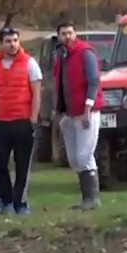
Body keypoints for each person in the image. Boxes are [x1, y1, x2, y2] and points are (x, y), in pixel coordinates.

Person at [0, 26, 42, 215]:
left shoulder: (29, 63)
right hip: (0, 120)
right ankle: (5, 201)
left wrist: (33, 118)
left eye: (15, 40)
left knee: (22, 163)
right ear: (1, 44)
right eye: (8, 41)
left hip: (22, 120)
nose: (12, 44)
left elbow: (37, 93)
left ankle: (20, 203)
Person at [51, 21, 104, 210]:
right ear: (58, 36)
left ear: (75, 33)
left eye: (70, 32)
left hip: (85, 111)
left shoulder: (85, 53)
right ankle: (85, 198)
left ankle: (92, 198)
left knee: (84, 155)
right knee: (73, 158)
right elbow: (59, 85)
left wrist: (88, 107)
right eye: (63, 33)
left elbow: (93, 80)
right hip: (69, 112)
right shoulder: (61, 56)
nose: (67, 36)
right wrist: (58, 111)